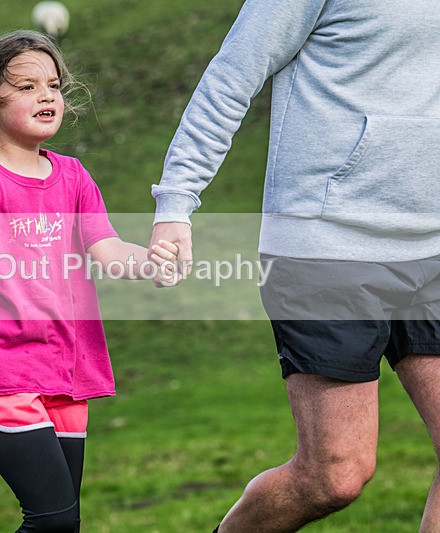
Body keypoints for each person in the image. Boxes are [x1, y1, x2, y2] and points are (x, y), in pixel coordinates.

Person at [148, 0, 440, 531]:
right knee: (334, 476)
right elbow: (232, 76)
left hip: (433, 244)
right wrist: (176, 202)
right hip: (326, 242)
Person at [0, 30, 178, 532]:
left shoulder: (74, 176)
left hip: (66, 371)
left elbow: (107, 251)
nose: (47, 96)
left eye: (54, 86)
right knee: (53, 521)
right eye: (27, 86)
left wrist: (149, 262)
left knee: (64, 524)